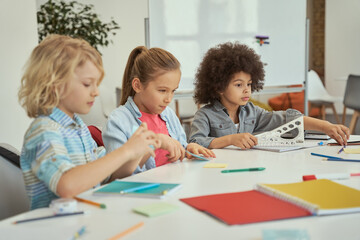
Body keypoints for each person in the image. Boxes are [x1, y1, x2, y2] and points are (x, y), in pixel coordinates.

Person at [18, 35, 160, 210]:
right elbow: (66, 185)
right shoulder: (44, 131)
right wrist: (126, 151)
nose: (96, 93)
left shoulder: (79, 128)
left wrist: (137, 151)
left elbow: (112, 177)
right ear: (55, 85)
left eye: (96, 84)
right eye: (87, 84)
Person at [189, 42, 350, 149]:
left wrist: (326, 127)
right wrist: (230, 140)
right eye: (239, 85)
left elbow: (287, 119)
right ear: (219, 87)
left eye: (249, 84)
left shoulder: (252, 112)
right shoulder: (204, 115)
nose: (246, 90)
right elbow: (194, 143)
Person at [103, 46, 215, 173]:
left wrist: (189, 148)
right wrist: (156, 141)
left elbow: (179, 148)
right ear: (137, 85)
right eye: (162, 90)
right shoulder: (118, 121)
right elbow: (117, 173)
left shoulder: (169, 114)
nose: (169, 99)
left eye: (173, 91)